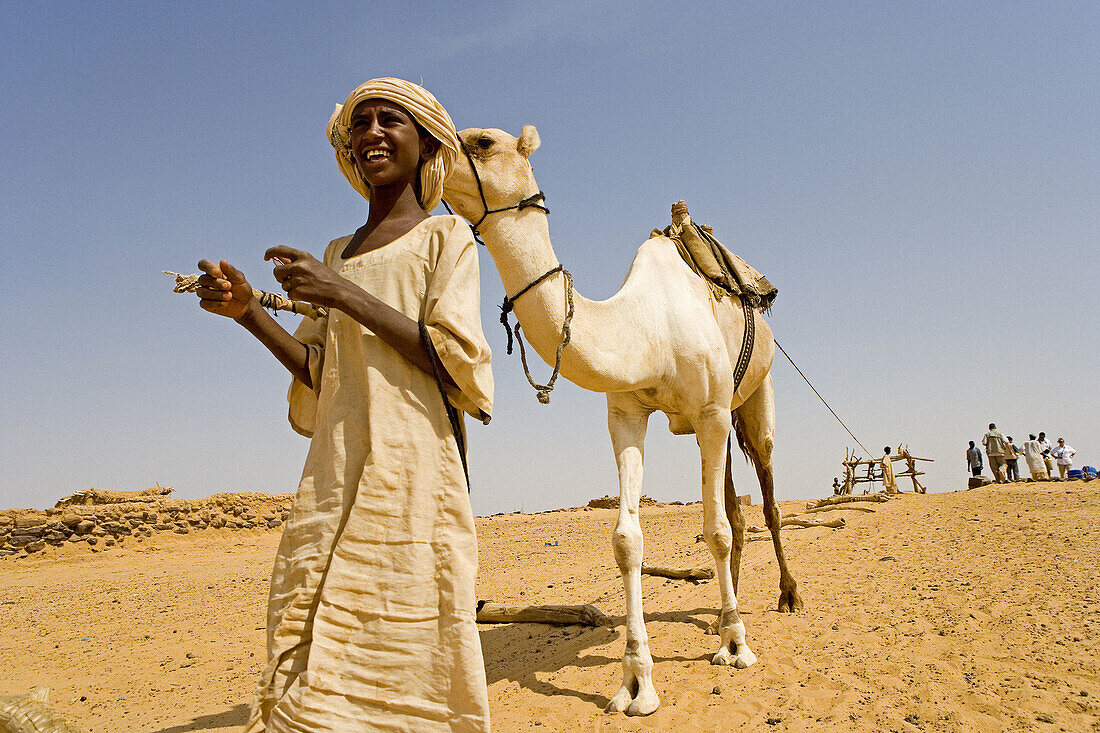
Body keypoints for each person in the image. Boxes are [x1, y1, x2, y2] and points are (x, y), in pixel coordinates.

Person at [194, 78, 493, 732]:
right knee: (306, 648)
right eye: (361, 124)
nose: (373, 132)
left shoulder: (448, 241)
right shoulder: (338, 254)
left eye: (392, 120)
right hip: (335, 476)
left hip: (416, 478)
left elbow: (456, 360)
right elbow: (322, 370)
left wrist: (343, 293)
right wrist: (247, 312)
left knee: (410, 659)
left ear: (428, 143)